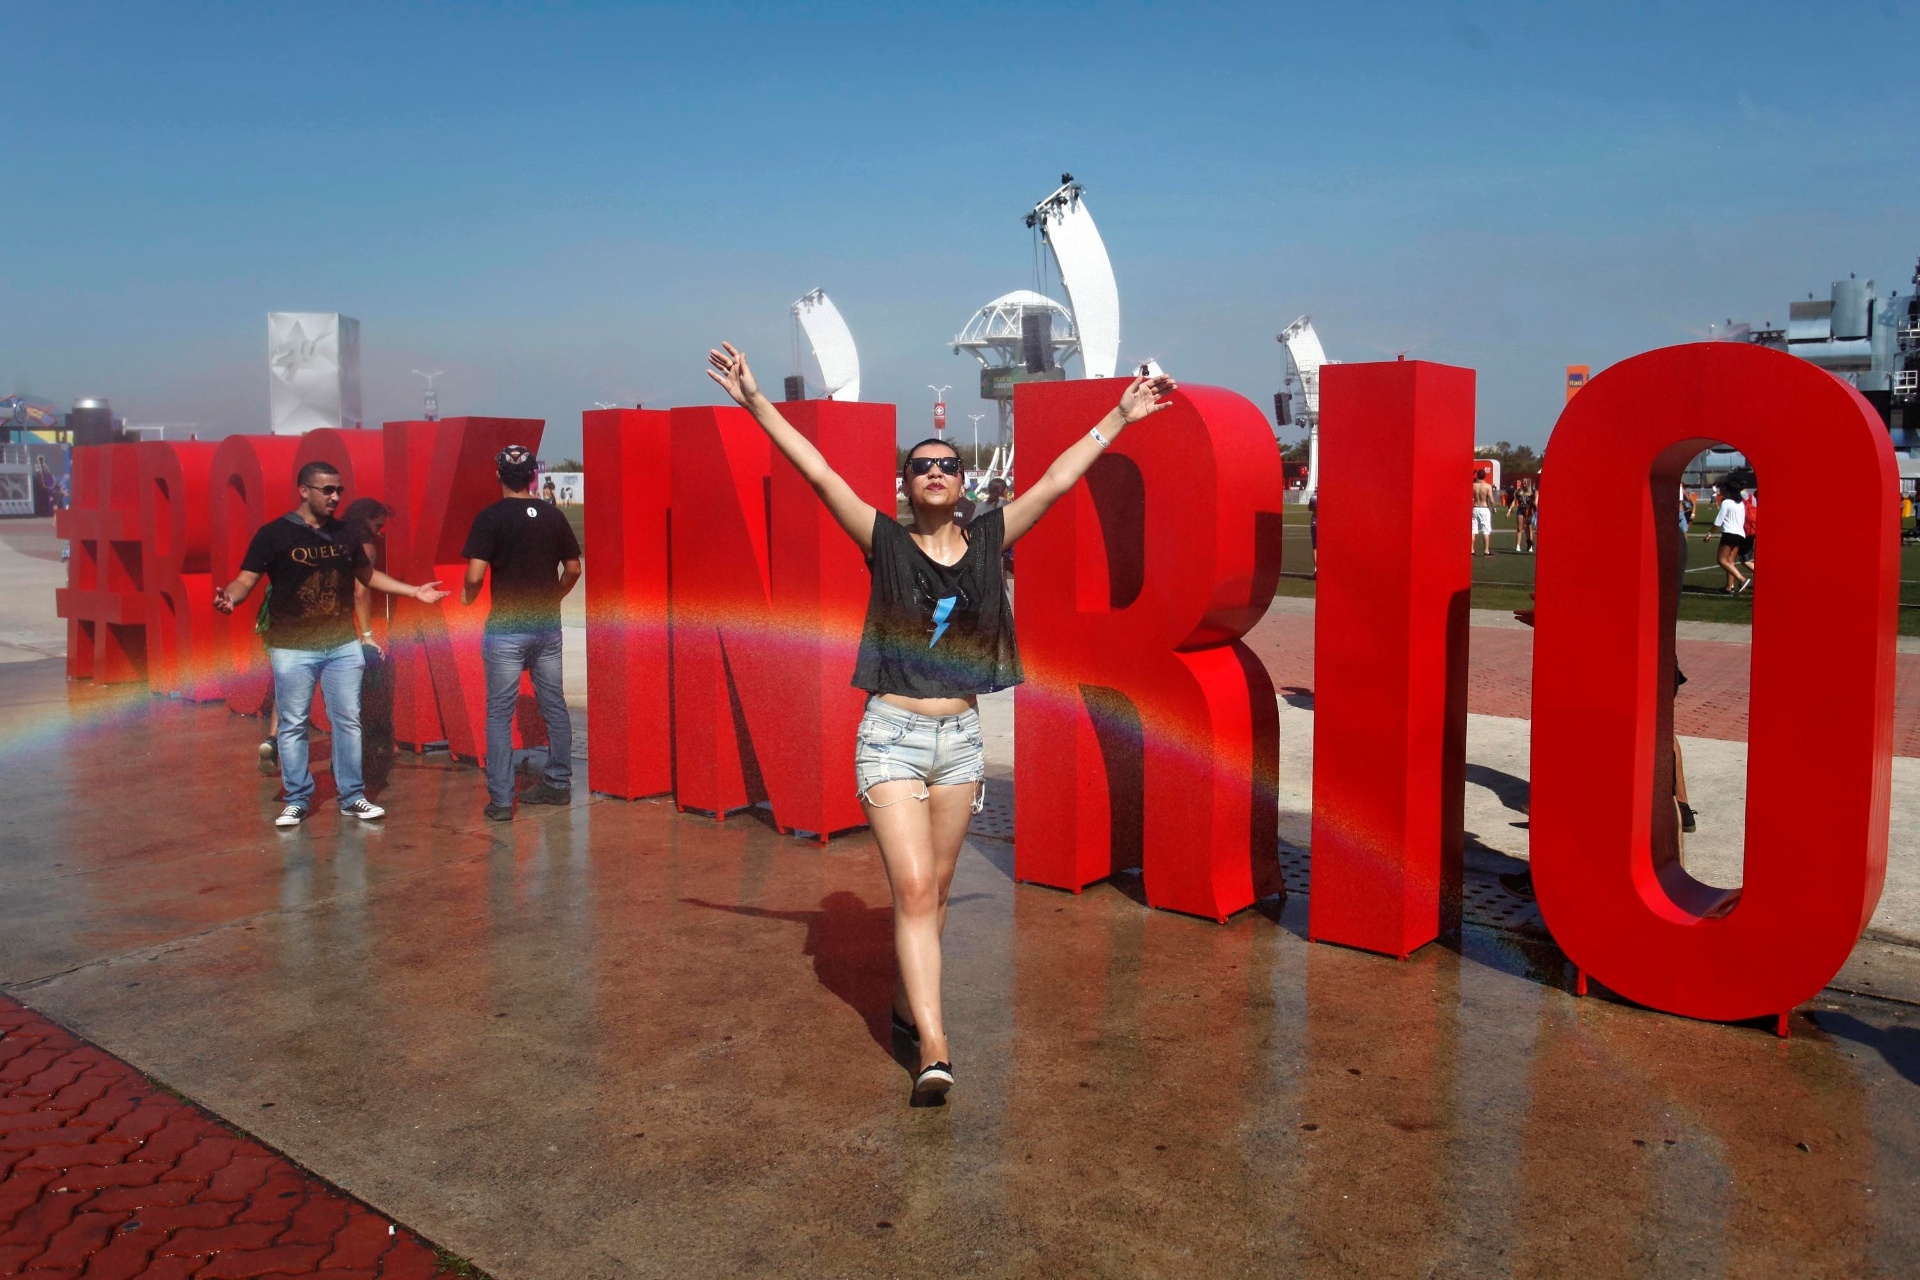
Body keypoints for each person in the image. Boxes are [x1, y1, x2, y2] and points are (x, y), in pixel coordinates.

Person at [706, 339, 1175, 1106]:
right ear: (905, 484)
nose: (933, 472)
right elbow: (818, 473)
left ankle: (903, 1002)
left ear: (963, 485)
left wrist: (1119, 416)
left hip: (959, 744)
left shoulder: (992, 540)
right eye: (920, 464)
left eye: (946, 465)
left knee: (936, 891)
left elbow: (1057, 481)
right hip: (889, 735)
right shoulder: (883, 543)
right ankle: (934, 1046)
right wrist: (757, 402)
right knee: (917, 886)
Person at [215, 462, 449, 828]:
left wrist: (414, 592)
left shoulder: (345, 534)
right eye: (327, 490)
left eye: (339, 490)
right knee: (292, 724)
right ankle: (296, 799)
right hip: (293, 646)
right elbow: (246, 579)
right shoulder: (274, 534)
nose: (336, 497)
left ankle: (352, 796)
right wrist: (231, 598)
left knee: (348, 722)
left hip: (341, 644)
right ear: (304, 491)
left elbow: (366, 576)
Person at [460, 445, 582, 822]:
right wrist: (555, 596)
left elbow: (476, 575)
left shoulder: (489, 518)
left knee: (499, 711)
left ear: (498, 475)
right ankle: (559, 784)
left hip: (508, 629)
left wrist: (467, 599)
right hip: (546, 625)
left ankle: (500, 799)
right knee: (554, 706)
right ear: (534, 476)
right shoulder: (553, 516)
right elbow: (573, 569)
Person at [1705, 478, 1750, 594]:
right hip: (1740, 534)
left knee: (1721, 560)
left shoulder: (1726, 502)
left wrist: (1709, 533)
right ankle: (1729, 587)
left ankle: (1742, 579)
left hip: (1729, 533)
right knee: (1730, 561)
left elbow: (1718, 522)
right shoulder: (1740, 504)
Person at [1472, 468, 1496, 557]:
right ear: (1484, 476)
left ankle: (1471, 550)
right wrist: (1494, 508)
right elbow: (1491, 499)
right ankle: (1486, 551)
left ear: (1477, 476)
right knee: (1486, 531)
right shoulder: (1487, 486)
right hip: (1484, 508)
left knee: (1473, 530)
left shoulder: (1473, 485)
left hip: (1475, 508)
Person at [1512, 477, 1537, 553]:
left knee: (1529, 528)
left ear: (1528, 483)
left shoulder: (1532, 491)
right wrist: (1509, 510)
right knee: (1519, 528)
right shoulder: (1519, 491)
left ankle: (1530, 545)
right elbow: (1514, 500)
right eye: (1523, 482)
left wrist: (1535, 510)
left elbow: (1535, 503)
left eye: (1525, 482)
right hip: (1520, 510)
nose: (1523, 483)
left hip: (1529, 511)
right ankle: (1518, 546)